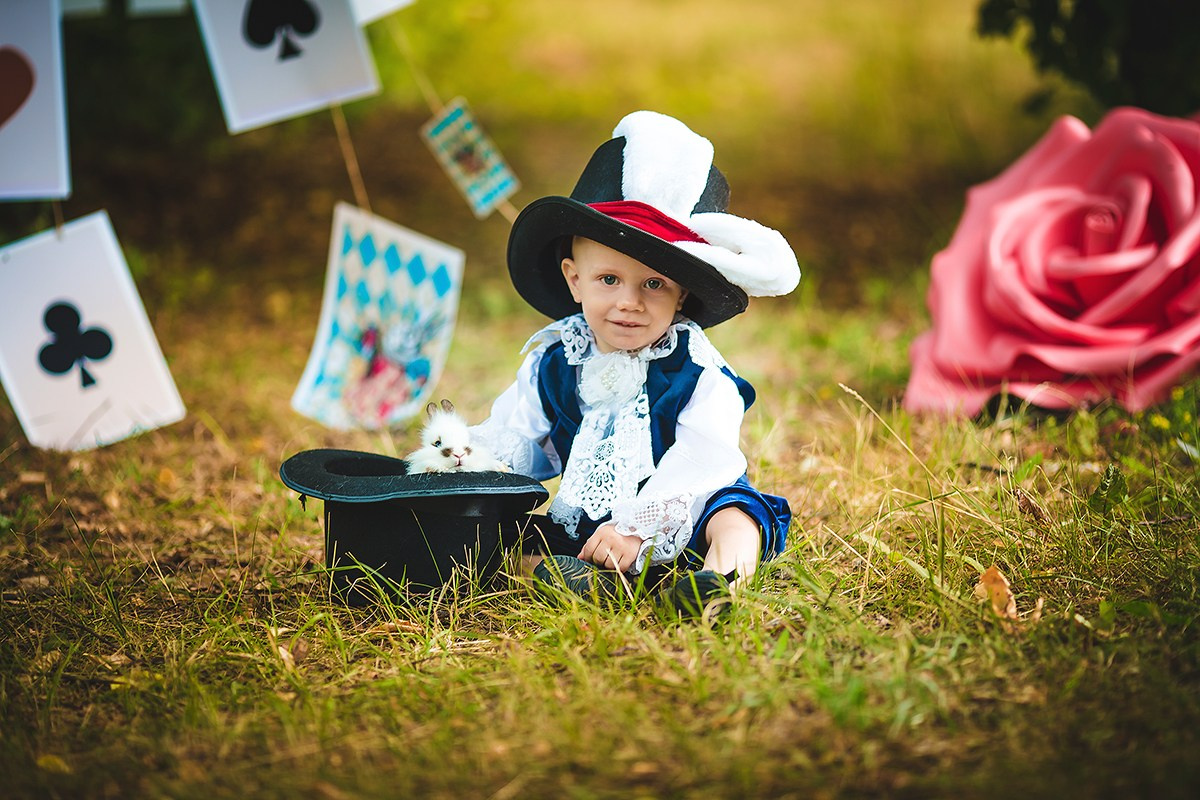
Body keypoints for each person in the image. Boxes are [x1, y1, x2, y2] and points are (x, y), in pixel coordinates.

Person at [472, 110, 800, 618]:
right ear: (574, 279)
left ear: (682, 294)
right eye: (609, 280)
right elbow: (516, 441)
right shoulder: (555, 361)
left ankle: (717, 584)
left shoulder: (697, 372)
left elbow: (704, 458)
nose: (629, 302)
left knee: (737, 514)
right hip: (588, 530)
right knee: (506, 537)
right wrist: (466, 464)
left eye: (653, 284)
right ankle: (579, 582)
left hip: (682, 513)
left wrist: (638, 523)